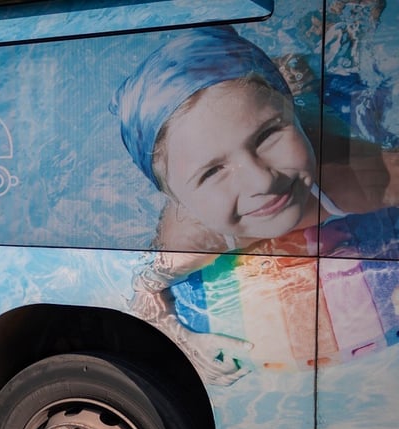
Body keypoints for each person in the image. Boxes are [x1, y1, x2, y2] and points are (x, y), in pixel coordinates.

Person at [111, 25, 399, 385]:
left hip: (311, 121)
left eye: (268, 135)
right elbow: (144, 290)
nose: (262, 182)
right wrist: (186, 343)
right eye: (212, 171)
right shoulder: (192, 237)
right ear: (177, 200)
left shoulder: (348, 180)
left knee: (310, 81)